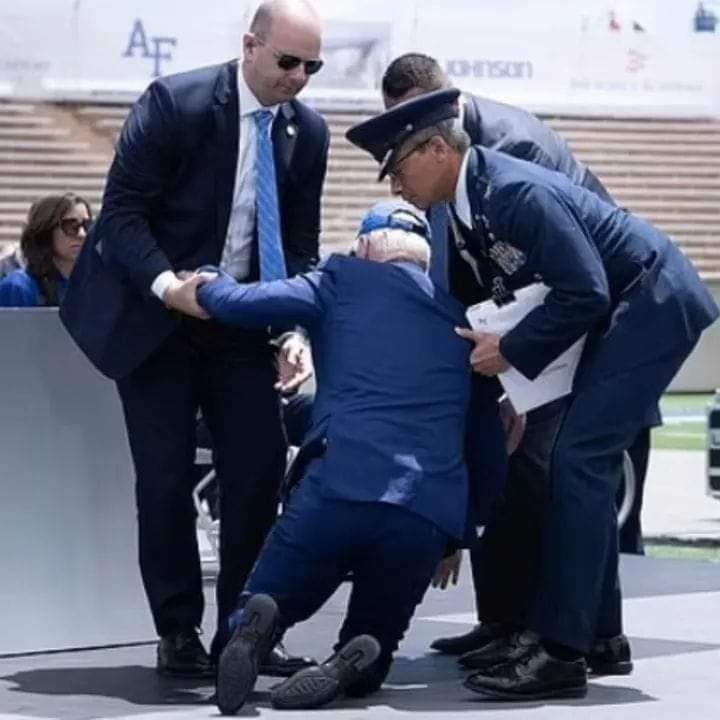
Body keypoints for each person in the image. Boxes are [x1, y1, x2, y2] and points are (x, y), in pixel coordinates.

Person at [346, 88, 718, 700]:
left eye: (398, 167)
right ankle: (598, 638)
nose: (395, 186)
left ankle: (560, 651)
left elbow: (587, 291)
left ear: (437, 149)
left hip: (650, 304)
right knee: (576, 464)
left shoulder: (513, 191)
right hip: (617, 313)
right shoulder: (472, 202)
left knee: (578, 460)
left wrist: (512, 354)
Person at [60, 0, 328, 678]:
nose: (298, 77)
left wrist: (295, 327)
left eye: (312, 67)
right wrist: (167, 287)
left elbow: (299, 247)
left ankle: (242, 634)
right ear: (250, 46)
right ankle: (177, 631)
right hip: (156, 322)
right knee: (165, 480)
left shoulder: (309, 133)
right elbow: (119, 217)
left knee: (260, 471)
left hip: (238, 322)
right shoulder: (174, 104)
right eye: (288, 61)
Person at [380, 52, 659, 669]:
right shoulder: (448, 167)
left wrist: (512, 364)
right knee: (503, 456)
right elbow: (461, 270)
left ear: (441, 120)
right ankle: (509, 621)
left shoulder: (513, 156)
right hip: (522, 324)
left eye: (408, 136)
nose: (398, 154)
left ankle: (558, 635)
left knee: (553, 466)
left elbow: (554, 277)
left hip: (582, 324)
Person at [186, 200, 492, 713]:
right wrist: (457, 533)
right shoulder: (459, 318)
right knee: (377, 640)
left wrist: (207, 279)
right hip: (424, 510)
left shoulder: (339, 279)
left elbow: (240, 303)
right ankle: (349, 663)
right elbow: (482, 443)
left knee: (264, 603)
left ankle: (257, 623)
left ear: (367, 246)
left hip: (339, 482)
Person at [0, 193, 91, 307]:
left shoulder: (94, 287)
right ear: (46, 231)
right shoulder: (18, 287)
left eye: (87, 225)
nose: (82, 234)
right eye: (71, 226)